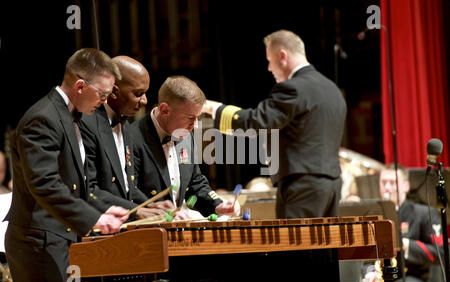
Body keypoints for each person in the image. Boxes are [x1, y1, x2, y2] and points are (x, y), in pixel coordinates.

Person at [4, 48, 129, 282]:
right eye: (103, 94)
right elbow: (45, 185)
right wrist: (94, 219)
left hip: (60, 238)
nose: (105, 101)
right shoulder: (42, 118)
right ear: (81, 86)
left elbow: (76, 184)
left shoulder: (75, 118)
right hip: (37, 242)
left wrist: (105, 210)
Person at [203, 29, 347, 219]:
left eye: (269, 61)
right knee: (324, 248)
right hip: (332, 185)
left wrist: (215, 109)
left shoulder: (294, 88)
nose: (269, 68)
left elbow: (256, 122)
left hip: (302, 184)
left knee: (296, 249)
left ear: (282, 56)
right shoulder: (331, 89)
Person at [131, 75, 240, 219]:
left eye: (198, 118)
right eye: (190, 118)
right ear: (164, 110)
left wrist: (217, 205)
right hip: (145, 231)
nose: (195, 125)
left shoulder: (186, 137)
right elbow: (129, 192)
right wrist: (160, 215)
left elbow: (195, 183)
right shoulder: (132, 137)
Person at [80, 56, 174, 220]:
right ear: (114, 91)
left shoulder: (126, 127)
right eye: (138, 94)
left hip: (122, 225)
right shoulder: (87, 124)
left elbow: (125, 185)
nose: (144, 100)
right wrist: (136, 210)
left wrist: (149, 205)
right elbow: (89, 189)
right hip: (97, 229)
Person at [363, 164, 444, 282]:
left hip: (416, 279)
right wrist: (370, 273)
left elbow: (439, 253)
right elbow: (366, 256)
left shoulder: (424, 213)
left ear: (406, 186)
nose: (387, 188)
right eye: (383, 183)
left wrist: (406, 245)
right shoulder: (374, 215)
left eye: (393, 182)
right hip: (383, 277)